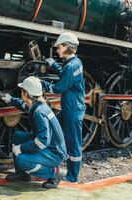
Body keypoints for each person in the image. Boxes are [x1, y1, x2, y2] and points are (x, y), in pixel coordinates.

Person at [1, 76, 67, 189]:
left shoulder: (39, 113)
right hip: (51, 146)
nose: (21, 93)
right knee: (17, 136)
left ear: (26, 94)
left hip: (54, 152)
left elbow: (43, 141)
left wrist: (21, 148)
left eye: (22, 91)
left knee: (22, 160)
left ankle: (55, 172)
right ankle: (22, 174)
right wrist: (10, 99)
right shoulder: (36, 105)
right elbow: (23, 105)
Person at [41, 32, 85, 183]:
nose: (57, 49)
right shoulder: (75, 62)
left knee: (73, 142)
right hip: (71, 106)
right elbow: (67, 76)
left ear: (66, 47)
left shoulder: (71, 65)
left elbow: (60, 87)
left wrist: (42, 84)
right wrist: (54, 65)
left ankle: (72, 176)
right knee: (57, 132)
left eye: (59, 47)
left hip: (72, 109)